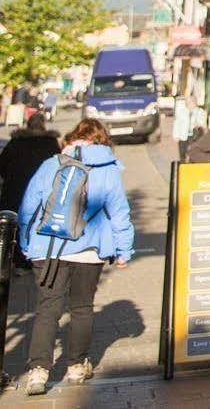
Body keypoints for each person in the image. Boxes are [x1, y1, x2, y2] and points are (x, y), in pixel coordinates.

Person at [16, 118, 134, 393]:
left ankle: (38, 372)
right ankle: (76, 366)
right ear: (103, 140)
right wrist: (123, 250)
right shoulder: (109, 169)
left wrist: (25, 242)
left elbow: (28, 205)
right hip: (89, 250)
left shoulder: (52, 163)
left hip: (48, 248)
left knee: (48, 309)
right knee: (81, 308)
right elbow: (119, 213)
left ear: (73, 137)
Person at [0, 112, 61, 264]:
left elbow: (2, 165)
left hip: (15, 187)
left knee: (14, 222)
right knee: (38, 219)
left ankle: (14, 256)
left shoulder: (16, 142)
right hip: (43, 189)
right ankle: (35, 254)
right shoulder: (50, 142)